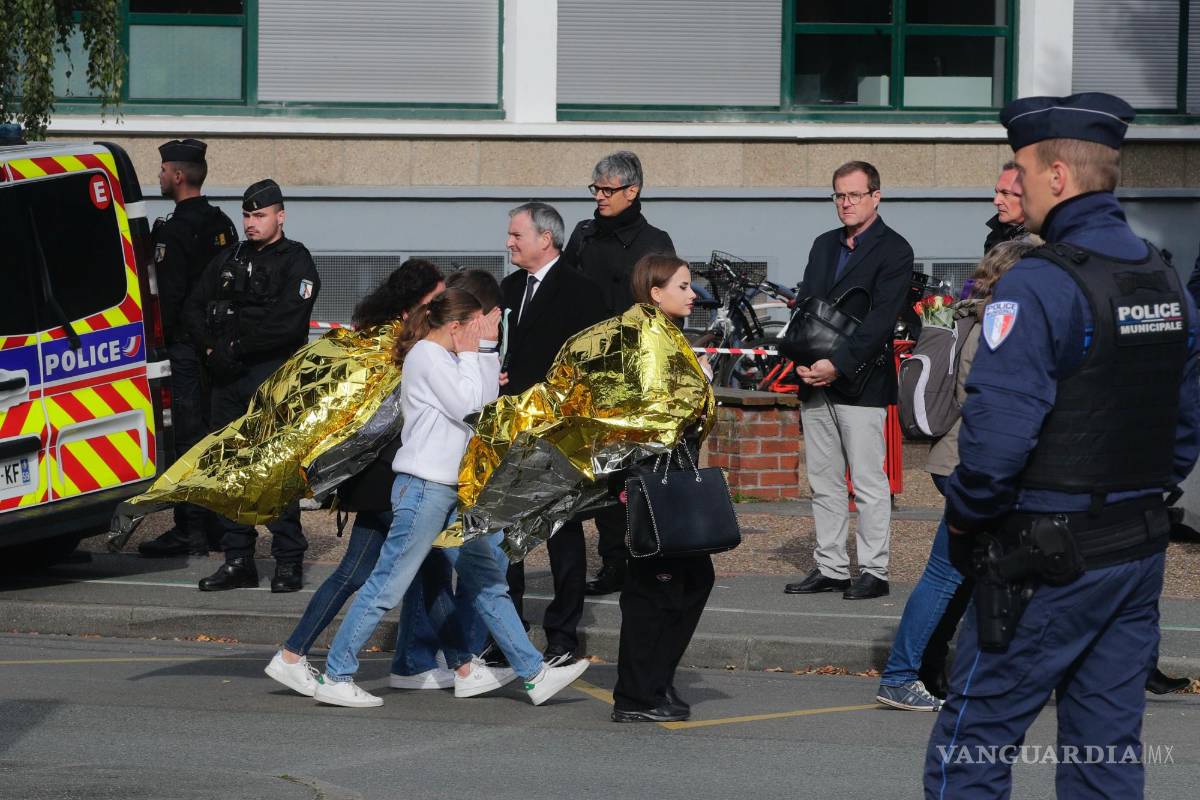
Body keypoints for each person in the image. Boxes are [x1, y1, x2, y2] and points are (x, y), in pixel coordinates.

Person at [925, 92, 1200, 798]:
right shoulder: (1166, 278)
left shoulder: (1040, 285)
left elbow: (994, 446)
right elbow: (1185, 420)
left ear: (1057, 176)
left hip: (1045, 558)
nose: (1012, 183)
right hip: (1135, 549)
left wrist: (965, 516)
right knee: (1104, 755)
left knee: (972, 745)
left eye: (1020, 168)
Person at [310, 289, 590, 708]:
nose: (478, 335)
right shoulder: (426, 355)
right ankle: (336, 672)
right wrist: (484, 352)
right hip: (424, 487)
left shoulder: (452, 357)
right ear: (456, 326)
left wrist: (487, 349)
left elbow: (486, 406)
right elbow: (469, 407)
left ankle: (534, 674)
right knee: (388, 584)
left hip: (449, 490)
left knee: (488, 582)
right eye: (475, 327)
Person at [265, 259, 463, 695]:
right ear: (418, 299)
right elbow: (382, 411)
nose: (443, 308)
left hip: (383, 471)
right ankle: (463, 664)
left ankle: (299, 654)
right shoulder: (393, 340)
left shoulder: (387, 332)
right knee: (403, 567)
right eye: (436, 299)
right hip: (383, 472)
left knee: (403, 568)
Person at [875, 238, 1038, 712]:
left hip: (959, 460)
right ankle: (903, 675)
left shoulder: (974, 312)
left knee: (966, 574)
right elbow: (982, 396)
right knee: (950, 575)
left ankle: (925, 671)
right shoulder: (999, 321)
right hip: (974, 463)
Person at [784, 161, 913, 601]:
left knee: (868, 481)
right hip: (813, 378)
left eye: (855, 195)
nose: (845, 203)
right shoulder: (823, 244)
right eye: (839, 195)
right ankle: (832, 567)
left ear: (876, 196)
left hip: (861, 380)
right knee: (823, 480)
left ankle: (874, 571)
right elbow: (807, 307)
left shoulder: (895, 250)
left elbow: (880, 321)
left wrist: (836, 365)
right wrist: (804, 362)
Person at [183, 179, 320, 593]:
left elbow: (289, 323)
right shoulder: (230, 257)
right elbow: (192, 306)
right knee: (230, 468)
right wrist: (211, 350)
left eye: (259, 215)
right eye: (246, 215)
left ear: (280, 215)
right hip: (226, 379)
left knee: (275, 468)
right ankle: (238, 558)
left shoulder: (296, 261)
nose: (251, 223)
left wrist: (236, 348)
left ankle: (288, 559)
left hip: (271, 377)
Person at [499, 202, 609, 666]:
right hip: (512, 429)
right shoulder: (506, 289)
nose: (508, 242)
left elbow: (594, 365)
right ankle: (505, 633)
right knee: (508, 536)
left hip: (561, 432)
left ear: (546, 238)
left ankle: (562, 634)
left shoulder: (584, 292)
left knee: (563, 534)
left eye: (516, 235)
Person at [562, 151, 676, 597]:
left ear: (633, 191)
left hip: (630, 371)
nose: (599, 197)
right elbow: (565, 291)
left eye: (608, 190)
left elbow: (661, 308)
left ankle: (643, 556)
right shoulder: (584, 235)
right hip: (587, 369)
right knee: (598, 471)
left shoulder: (654, 240)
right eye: (595, 189)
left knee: (635, 471)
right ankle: (612, 561)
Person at [611, 254, 716, 724]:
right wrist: (699, 387)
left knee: (691, 578)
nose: (692, 294)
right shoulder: (645, 338)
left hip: (670, 471)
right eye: (683, 286)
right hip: (651, 476)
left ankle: (656, 680)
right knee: (654, 586)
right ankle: (636, 694)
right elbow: (647, 413)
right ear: (655, 292)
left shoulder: (666, 336)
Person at [138, 139, 238, 558]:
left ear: (178, 176)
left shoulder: (176, 229)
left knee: (188, 439)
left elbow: (174, 297)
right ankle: (214, 524)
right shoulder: (224, 224)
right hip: (220, 348)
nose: (159, 176)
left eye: (163, 170)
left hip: (186, 349)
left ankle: (190, 530)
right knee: (215, 436)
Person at [984, 161, 1027, 253]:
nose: (996, 201)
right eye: (997, 192)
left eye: (1005, 193)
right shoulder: (994, 237)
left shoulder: (1046, 241)